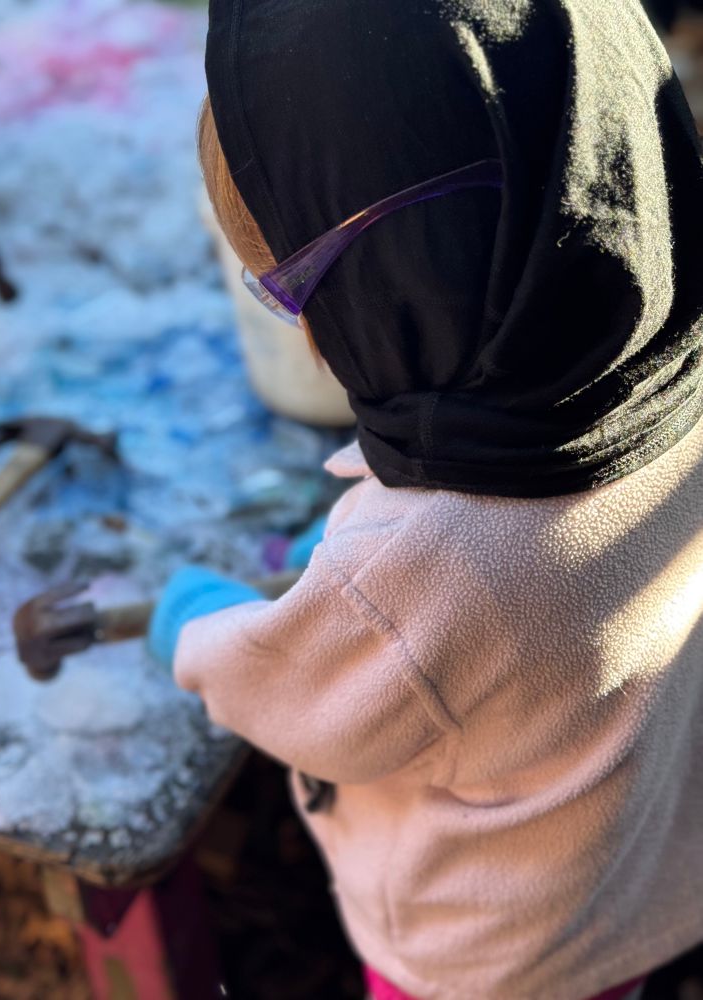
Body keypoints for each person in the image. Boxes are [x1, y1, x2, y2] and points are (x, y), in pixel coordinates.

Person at [149, 1, 703, 997]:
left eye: (296, 290)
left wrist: (192, 624)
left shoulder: (421, 565)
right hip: (640, 873)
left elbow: (299, 696)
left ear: (421, 276)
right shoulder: (668, 364)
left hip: (489, 956)